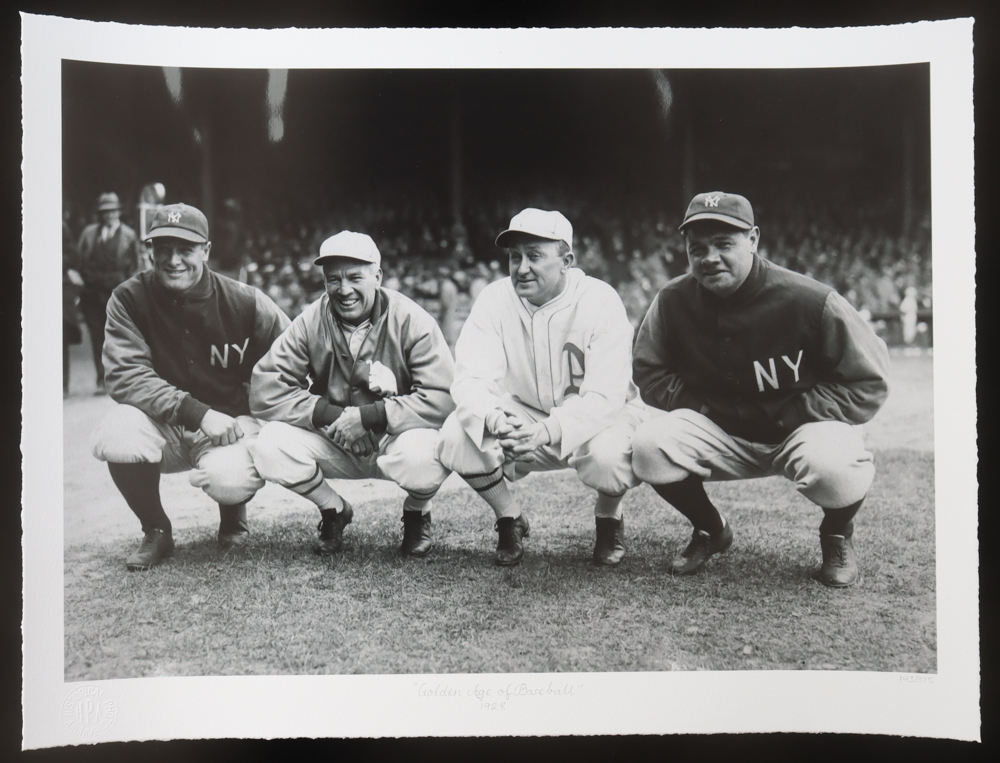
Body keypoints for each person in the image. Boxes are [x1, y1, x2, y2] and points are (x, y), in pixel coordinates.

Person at [631, 192, 890, 587]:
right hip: (720, 431)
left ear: (752, 239)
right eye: (697, 248)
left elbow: (868, 380)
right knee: (649, 444)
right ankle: (711, 529)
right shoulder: (671, 300)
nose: (709, 257)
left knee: (836, 465)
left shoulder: (811, 300)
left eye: (723, 244)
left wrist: (798, 412)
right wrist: (700, 407)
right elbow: (649, 371)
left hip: (799, 431)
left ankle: (837, 534)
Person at [437, 208, 646, 567]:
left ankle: (609, 516)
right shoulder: (494, 298)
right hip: (525, 415)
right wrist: (495, 419)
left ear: (566, 261)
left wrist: (546, 431)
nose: (521, 268)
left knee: (610, 458)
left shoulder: (600, 298)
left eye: (534, 256)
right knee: (456, 435)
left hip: (598, 419)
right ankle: (509, 517)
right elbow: (470, 378)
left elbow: (604, 396)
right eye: (515, 256)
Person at [91, 203, 290, 570]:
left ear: (206, 251)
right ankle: (156, 530)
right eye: (163, 249)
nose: (173, 260)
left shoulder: (244, 300)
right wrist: (197, 412)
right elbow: (125, 375)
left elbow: (293, 355)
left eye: (185, 249)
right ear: (150, 251)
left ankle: (233, 516)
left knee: (229, 479)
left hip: (227, 427)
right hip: (162, 426)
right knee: (116, 430)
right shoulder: (128, 298)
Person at [249, 231, 455, 557]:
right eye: (334, 279)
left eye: (355, 277)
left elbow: (443, 398)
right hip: (335, 437)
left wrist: (369, 417)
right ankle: (333, 509)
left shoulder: (413, 319)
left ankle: (417, 511)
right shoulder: (310, 320)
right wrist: (331, 415)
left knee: (426, 457)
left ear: (378, 276)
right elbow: (266, 387)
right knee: (268, 445)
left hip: (395, 438)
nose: (344, 290)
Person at [76, 192, 141, 393]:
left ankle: (121, 379)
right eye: (105, 212)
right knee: (97, 337)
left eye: (113, 211)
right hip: (92, 294)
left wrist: (131, 294)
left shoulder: (129, 235)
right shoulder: (89, 234)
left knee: (119, 336)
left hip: (117, 295)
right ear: (100, 214)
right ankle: (101, 380)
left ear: (118, 212)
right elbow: (79, 260)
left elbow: (135, 267)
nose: (109, 215)